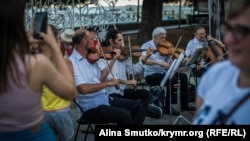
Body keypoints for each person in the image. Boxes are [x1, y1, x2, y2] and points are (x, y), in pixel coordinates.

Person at [0, 1, 77, 141]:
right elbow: (71, 92)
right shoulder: (37, 64)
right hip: (35, 134)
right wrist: (54, 46)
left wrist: (24, 43)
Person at [69, 29, 144, 124]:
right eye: (92, 39)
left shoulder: (90, 58)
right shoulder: (73, 63)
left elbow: (100, 79)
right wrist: (108, 83)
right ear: (84, 42)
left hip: (104, 99)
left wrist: (114, 59)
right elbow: (83, 89)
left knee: (137, 106)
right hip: (91, 107)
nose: (94, 42)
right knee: (124, 115)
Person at [192, 0, 250, 124]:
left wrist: (212, 39)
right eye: (228, 29)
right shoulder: (215, 74)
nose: (228, 39)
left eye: (240, 30)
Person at [98, 28, 151, 123]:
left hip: (121, 92)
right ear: (111, 41)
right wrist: (125, 81)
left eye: (122, 40)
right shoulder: (102, 56)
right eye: (119, 40)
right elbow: (107, 77)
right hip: (109, 94)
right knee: (136, 105)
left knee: (146, 94)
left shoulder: (124, 55)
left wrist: (145, 57)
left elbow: (133, 71)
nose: (122, 43)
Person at [141, 27, 194, 115]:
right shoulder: (146, 46)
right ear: (154, 37)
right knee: (172, 80)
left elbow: (171, 61)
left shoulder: (166, 47)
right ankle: (168, 107)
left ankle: (185, 105)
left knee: (183, 77)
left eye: (164, 37)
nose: (164, 40)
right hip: (152, 74)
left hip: (164, 73)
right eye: (162, 38)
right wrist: (159, 63)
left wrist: (179, 60)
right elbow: (143, 60)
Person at [39, 24, 75, 141]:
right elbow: (72, 88)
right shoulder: (66, 63)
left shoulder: (34, 63)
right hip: (62, 110)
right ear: (57, 40)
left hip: (42, 111)